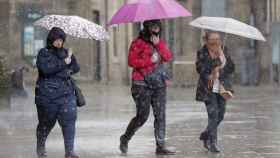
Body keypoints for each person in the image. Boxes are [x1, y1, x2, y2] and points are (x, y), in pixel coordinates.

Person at [119, 20, 175, 155]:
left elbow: (168, 57)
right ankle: (125, 138)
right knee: (142, 116)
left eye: (157, 27)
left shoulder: (159, 42)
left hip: (159, 83)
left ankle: (160, 146)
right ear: (147, 28)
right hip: (141, 84)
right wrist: (150, 61)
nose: (155, 30)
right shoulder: (138, 42)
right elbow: (131, 61)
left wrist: (159, 45)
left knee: (160, 115)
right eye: (153, 27)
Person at [35, 27, 80, 158]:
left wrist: (71, 59)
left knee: (69, 121)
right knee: (46, 123)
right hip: (48, 95)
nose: (59, 43)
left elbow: (75, 69)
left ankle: (69, 151)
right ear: (51, 39)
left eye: (61, 40)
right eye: (57, 40)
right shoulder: (44, 53)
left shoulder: (65, 52)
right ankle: (41, 146)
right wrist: (63, 63)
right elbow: (46, 70)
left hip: (66, 94)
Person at [195, 31, 235, 153]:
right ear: (206, 41)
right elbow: (200, 70)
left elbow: (231, 68)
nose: (216, 42)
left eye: (218, 39)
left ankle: (206, 134)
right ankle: (212, 143)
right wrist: (216, 63)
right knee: (213, 115)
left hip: (222, 87)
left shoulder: (224, 49)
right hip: (208, 87)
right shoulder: (202, 53)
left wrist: (224, 59)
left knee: (221, 114)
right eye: (213, 39)